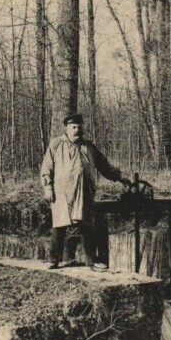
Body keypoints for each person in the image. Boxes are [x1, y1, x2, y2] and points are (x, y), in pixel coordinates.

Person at [40, 113, 131, 270]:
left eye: (79, 127)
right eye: (73, 127)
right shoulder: (56, 145)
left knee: (87, 225)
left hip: (85, 192)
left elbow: (104, 166)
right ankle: (53, 260)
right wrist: (48, 188)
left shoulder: (88, 146)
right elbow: (46, 168)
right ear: (66, 128)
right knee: (59, 226)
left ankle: (91, 261)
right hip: (62, 193)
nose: (77, 130)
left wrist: (119, 178)